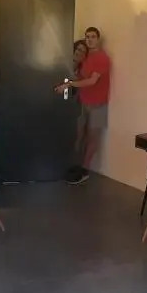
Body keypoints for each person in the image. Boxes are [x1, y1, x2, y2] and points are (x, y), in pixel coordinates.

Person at [56, 27, 110, 185]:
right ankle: (75, 166)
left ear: (98, 39)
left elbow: (92, 81)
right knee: (79, 135)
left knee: (92, 137)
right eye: (87, 37)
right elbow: (77, 76)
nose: (90, 39)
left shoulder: (102, 58)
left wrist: (69, 84)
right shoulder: (86, 57)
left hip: (99, 104)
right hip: (83, 102)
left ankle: (85, 170)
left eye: (93, 36)